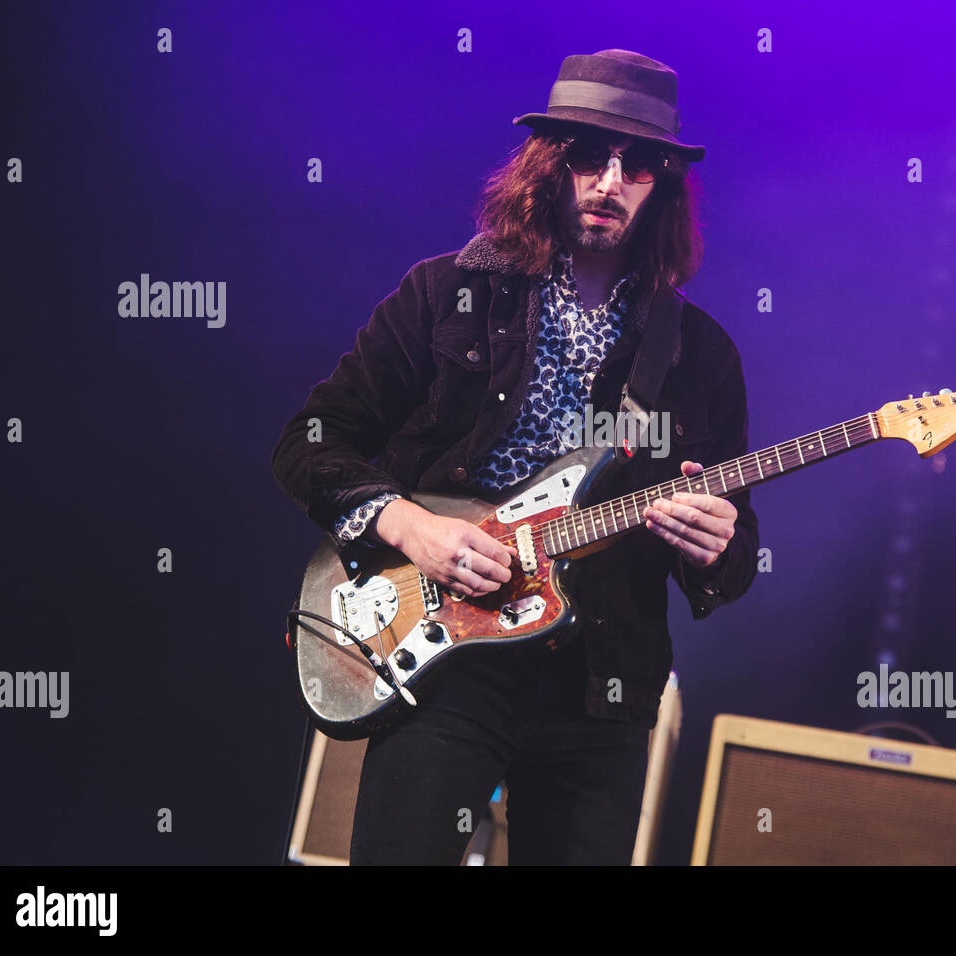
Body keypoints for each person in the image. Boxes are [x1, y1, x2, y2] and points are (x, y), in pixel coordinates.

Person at [271, 49, 760, 865]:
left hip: (602, 683)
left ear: (662, 184)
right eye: (586, 157)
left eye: (637, 164)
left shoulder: (700, 355)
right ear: (547, 163)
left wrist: (718, 546)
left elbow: (735, 557)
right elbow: (310, 441)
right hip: (449, 663)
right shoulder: (444, 293)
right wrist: (413, 528)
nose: (609, 182)